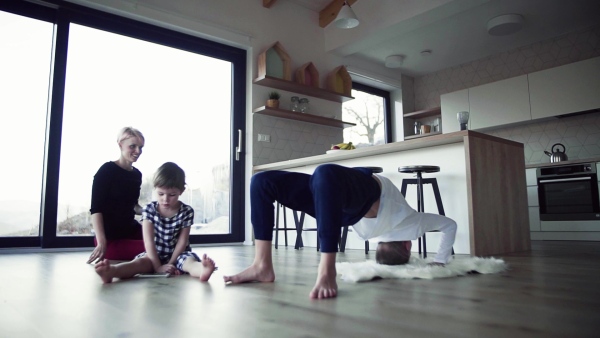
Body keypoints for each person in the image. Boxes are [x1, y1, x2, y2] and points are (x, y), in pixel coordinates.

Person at [223, 163, 457, 299]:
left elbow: (449, 225)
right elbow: (450, 226)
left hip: (353, 201)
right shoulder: (402, 228)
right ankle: (262, 267)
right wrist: (438, 261)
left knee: (262, 181)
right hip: (343, 204)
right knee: (314, 176)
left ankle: (326, 269)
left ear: (407, 245)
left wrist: (441, 259)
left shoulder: (413, 226)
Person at [95, 162, 217, 283]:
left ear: (182, 191)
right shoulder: (149, 210)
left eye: (172, 195)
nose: (165, 199)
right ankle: (112, 272)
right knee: (138, 263)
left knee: (189, 262)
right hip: (154, 254)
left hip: (178, 255)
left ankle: (202, 270)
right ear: (155, 189)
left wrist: (171, 263)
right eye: (160, 194)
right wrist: (158, 267)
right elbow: (148, 242)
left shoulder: (186, 211)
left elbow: (182, 241)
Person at [87, 127, 146, 264]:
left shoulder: (137, 175)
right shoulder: (106, 171)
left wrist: (153, 210)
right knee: (157, 248)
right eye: (133, 146)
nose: (138, 151)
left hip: (130, 229)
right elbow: (96, 209)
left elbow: (134, 206)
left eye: (140, 147)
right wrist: (102, 242)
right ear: (120, 145)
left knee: (168, 240)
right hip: (110, 239)